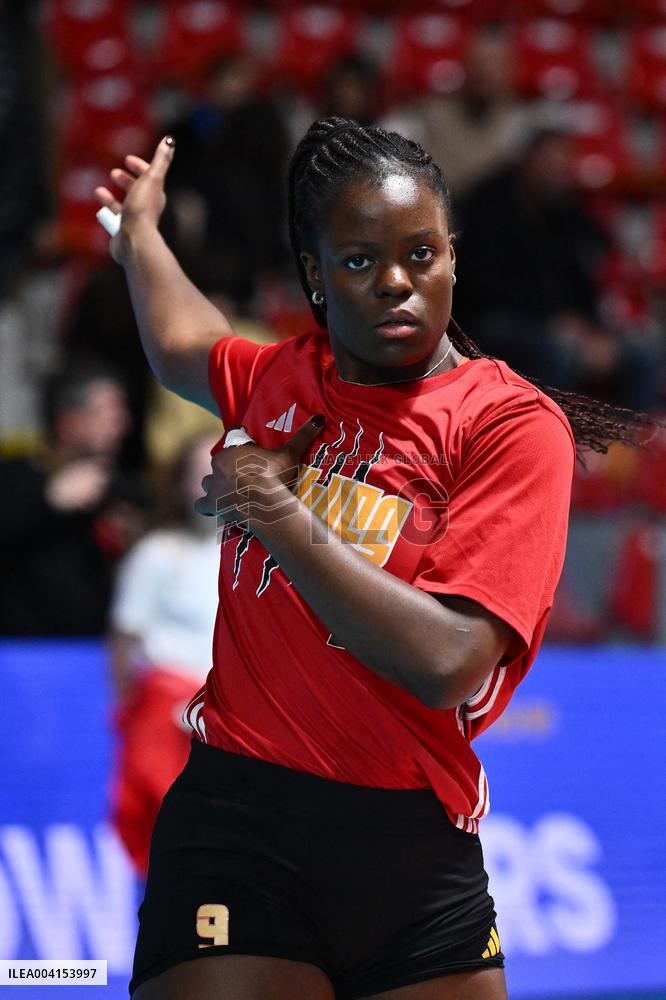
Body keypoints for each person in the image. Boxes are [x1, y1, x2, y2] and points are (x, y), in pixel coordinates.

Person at [94, 120, 655, 1000]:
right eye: (359, 261)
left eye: (421, 253)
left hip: (415, 847)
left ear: (453, 257)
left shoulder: (508, 426)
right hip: (240, 825)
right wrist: (141, 239)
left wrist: (277, 512)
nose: (397, 281)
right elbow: (180, 340)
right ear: (315, 276)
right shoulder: (282, 380)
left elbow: (448, 660)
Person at [108, 433, 220, 876]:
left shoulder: (259, 553)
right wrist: (133, 713)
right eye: (200, 470)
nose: (212, 479)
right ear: (180, 482)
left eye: (222, 467)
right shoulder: (156, 554)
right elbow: (124, 640)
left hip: (229, 723)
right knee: (164, 839)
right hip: (168, 723)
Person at [0, 361, 142, 636]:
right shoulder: (15, 477)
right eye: (109, 413)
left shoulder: (123, 487)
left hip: (98, 649)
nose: (123, 424)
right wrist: (48, 500)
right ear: (68, 422)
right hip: (21, 649)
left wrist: (136, 534)